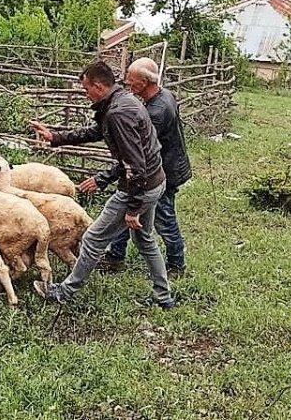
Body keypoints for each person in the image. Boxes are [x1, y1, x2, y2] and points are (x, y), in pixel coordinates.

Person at [29, 61, 175, 309]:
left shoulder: (118, 112)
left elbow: (135, 165)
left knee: (93, 238)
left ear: (98, 86)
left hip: (138, 187)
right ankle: (164, 297)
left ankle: (64, 293)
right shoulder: (121, 103)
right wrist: (57, 138)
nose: (86, 95)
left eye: (86, 89)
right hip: (155, 180)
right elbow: (98, 132)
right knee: (144, 240)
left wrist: (132, 208)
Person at [85, 57, 191, 278]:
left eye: (131, 79)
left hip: (161, 174)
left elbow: (134, 160)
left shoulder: (156, 112)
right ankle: (116, 255)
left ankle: (176, 265)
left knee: (164, 218)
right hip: (161, 169)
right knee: (129, 212)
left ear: (144, 82)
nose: (127, 82)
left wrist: (103, 178)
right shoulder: (163, 96)